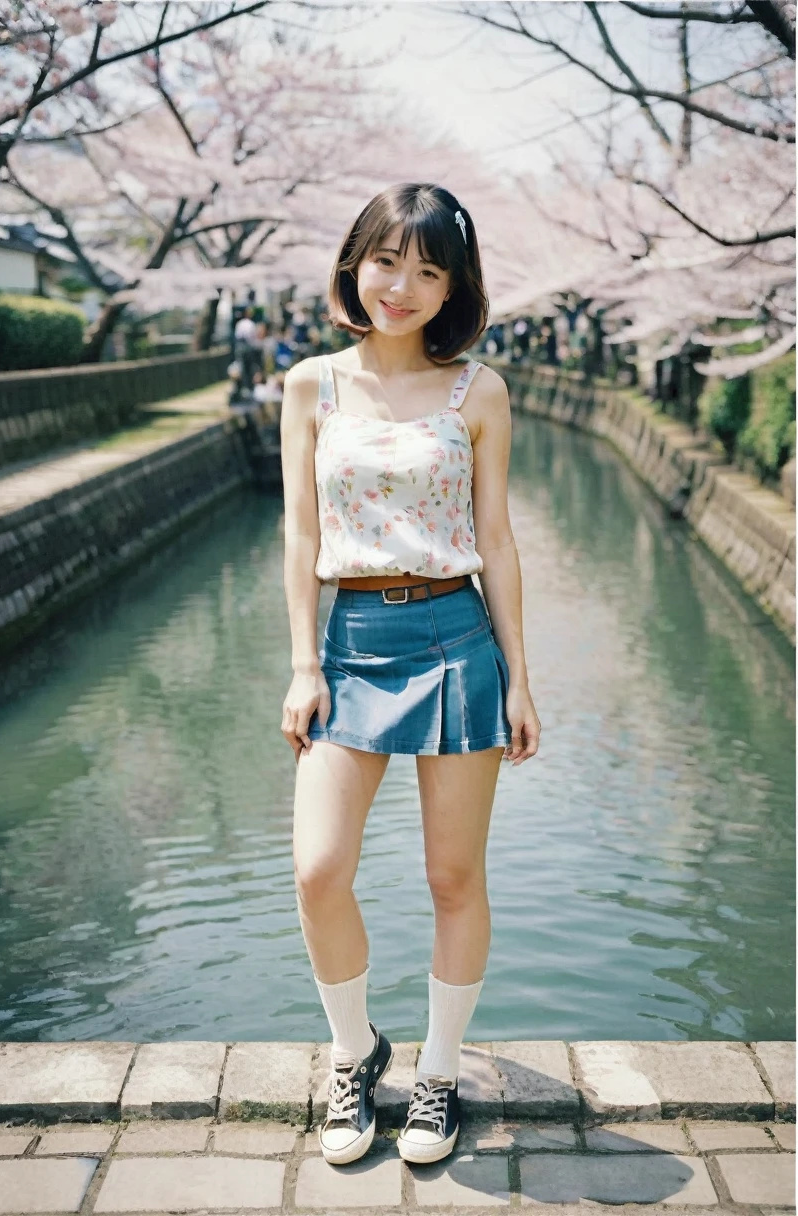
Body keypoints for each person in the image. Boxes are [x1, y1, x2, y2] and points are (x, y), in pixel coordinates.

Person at [279, 183, 541, 1169]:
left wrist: (520, 677)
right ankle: (356, 1051)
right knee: (318, 869)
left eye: (430, 270)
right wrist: (302, 663)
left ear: (454, 288)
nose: (403, 286)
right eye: (388, 260)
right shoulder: (311, 384)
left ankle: (436, 1073)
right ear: (355, 260)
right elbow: (300, 532)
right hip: (348, 639)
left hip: (453, 635)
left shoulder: (480, 391)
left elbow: (500, 539)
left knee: (451, 874)